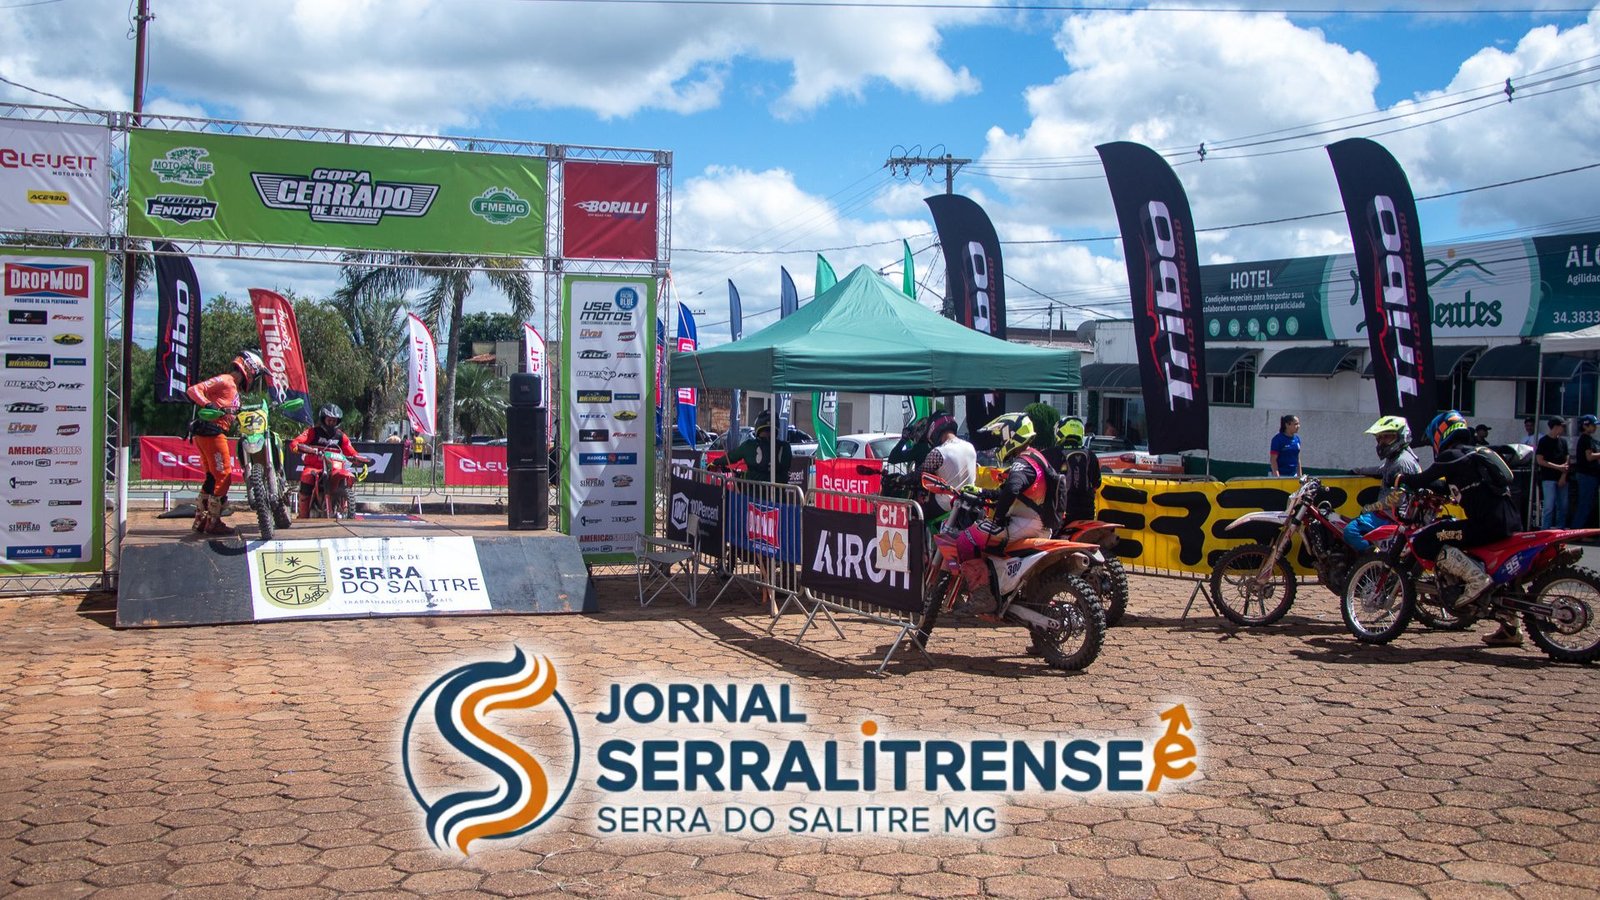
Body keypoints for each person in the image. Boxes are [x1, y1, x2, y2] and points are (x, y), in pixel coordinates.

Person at [1400, 410, 1524, 647]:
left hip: (1487, 524)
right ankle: (1510, 627)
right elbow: (1453, 488)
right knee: (1501, 575)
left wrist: (1399, 479)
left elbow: (1422, 479)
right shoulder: (1475, 454)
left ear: (1440, 433)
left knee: (1428, 539)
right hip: (1510, 522)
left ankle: (1476, 580)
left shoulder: (1451, 455)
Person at [953, 413, 1059, 614]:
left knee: (966, 540)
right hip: (1040, 524)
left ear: (1012, 436)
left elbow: (1012, 489)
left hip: (1024, 523)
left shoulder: (1022, 462)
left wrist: (999, 518)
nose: (1001, 442)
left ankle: (983, 596)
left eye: (1002, 437)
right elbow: (1011, 491)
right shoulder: (1037, 457)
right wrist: (985, 493)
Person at [184, 350, 267, 536]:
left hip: (209, 432)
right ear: (250, 368)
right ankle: (213, 522)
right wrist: (207, 404)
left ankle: (201, 521)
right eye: (256, 375)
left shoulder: (233, 387)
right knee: (224, 476)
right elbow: (193, 390)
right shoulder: (225, 380)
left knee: (212, 477)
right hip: (212, 431)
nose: (255, 379)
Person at [1344, 416, 1421, 552]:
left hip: (1393, 517)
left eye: (1386, 437)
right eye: (1379, 438)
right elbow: (1381, 470)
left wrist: (1372, 507)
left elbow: (1397, 498)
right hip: (1388, 514)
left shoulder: (1402, 462)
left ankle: (1370, 562)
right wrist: (1356, 470)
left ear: (1400, 436)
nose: (1382, 442)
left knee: (1351, 530)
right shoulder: (1396, 458)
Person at [287, 404, 373, 519]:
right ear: (323, 419)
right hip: (315, 466)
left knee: (347, 477)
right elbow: (297, 442)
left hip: (336, 468)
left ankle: (345, 508)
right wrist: (298, 446)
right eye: (329, 420)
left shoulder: (341, 436)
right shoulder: (313, 432)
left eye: (334, 420)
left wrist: (358, 458)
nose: (331, 422)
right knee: (307, 476)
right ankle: (303, 514)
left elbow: (351, 451)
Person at [915, 410, 976, 513]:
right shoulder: (970, 447)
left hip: (946, 505)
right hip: (969, 501)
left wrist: (901, 478)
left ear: (934, 429)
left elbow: (918, 475)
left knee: (913, 512)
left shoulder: (938, 452)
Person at [716, 409, 791, 484]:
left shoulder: (749, 445)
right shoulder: (785, 447)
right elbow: (785, 472)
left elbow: (731, 457)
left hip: (752, 492)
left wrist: (715, 463)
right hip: (778, 493)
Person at [1050, 416, 1102, 525]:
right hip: (1087, 514)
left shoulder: (1052, 453)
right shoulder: (1091, 455)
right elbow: (1097, 483)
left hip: (1061, 513)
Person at [1535, 417, 1570, 529]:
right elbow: (1540, 460)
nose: (1564, 428)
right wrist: (1557, 467)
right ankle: (1545, 531)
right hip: (1548, 478)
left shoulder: (1563, 442)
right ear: (1555, 427)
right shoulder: (1543, 441)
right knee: (1549, 507)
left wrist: (1563, 475)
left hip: (1562, 478)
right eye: (1562, 426)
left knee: (1563, 507)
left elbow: (1567, 460)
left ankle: (1560, 529)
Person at [1572, 414, 1599, 530]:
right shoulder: (1585, 439)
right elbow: (1589, 457)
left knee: (1588, 504)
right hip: (1587, 475)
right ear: (1585, 425)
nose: (1595, 428)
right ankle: (1577, 531)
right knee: (1584, 504)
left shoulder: (1591, 440)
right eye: (1593, 425)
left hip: (1591, 475)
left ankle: (1582, 530)